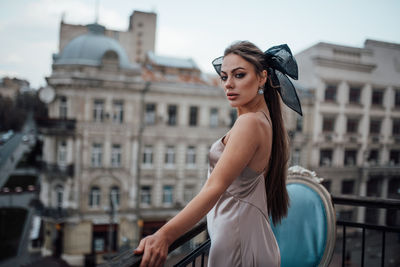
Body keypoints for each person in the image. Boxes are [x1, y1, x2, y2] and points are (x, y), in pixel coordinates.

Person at [133, 41, 302, 267]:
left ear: (262, 78)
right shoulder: (259, 118)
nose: (228, 84)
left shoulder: (250, 123)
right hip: (245, 239)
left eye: (239, 75)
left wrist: (164, 235)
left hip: (239, 244)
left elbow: (214, 187)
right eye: (224, 77)